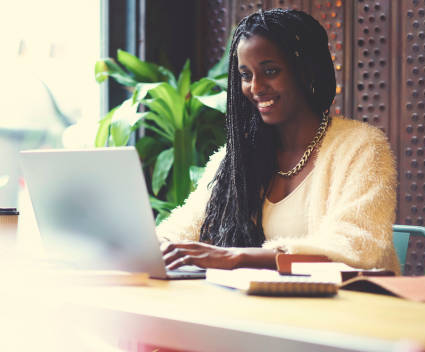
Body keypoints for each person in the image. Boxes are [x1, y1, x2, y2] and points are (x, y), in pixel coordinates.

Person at [157, 8, 400, 274]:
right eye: (246, 75)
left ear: (305, 71)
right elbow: (181, 229)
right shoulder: (237, 157)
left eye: (270, 71)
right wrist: (159, 246)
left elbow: (355, 250)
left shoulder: (362, 147)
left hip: (348, 306)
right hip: (260, 308)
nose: (256, 87)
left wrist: (238, 257)